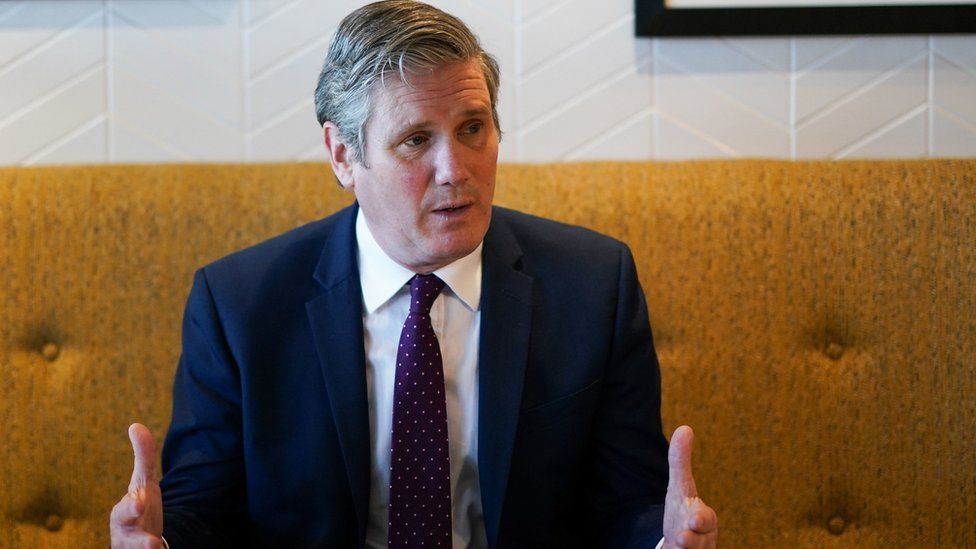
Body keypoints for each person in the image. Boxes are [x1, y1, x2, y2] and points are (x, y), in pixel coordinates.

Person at [109, 1, 718, 548]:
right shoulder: (239, 306)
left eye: (472, 129)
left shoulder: (593, 285)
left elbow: (626, 504)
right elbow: (203, 511)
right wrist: (156, 543)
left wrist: (663, 543)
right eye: (416, 139)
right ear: (344, 155)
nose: (455, 169)